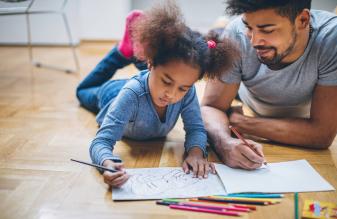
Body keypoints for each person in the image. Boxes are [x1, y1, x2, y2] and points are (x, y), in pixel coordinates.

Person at [76, 2, 238, 187]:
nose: (171, 94)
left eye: (182, 88)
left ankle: (136, 54)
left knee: (166, 77)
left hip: (147, 81)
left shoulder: (187, 92)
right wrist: (106, 163)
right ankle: (121, 53)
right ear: (151, 63)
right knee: (82, 91)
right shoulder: (130, 94)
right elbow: (102, 141)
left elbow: (196, 128)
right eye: (167, 82)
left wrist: (195, 152)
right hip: (111, 94)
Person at [201, 0, 337, 170]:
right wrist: (225, 143)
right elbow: (210, 108)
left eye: (267, 30)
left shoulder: (333, 40)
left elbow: (321, 134)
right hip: (246, 94)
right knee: (223, 38)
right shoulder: (237, 34)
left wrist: (239, 121)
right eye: (249, 27)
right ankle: (221, 25)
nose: (254, 42)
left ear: (303, 20)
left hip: (286, 113)